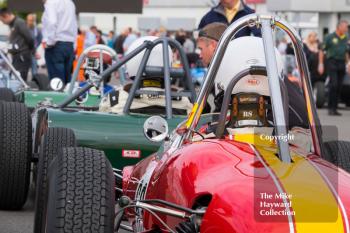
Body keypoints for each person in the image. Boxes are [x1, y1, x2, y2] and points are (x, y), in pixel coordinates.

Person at [42, 0, 77, 84]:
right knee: (67, 82)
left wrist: (50, 42)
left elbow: (52, 22)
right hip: (69, 44)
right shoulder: (70, 3)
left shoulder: (51, 3)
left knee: (56, 83)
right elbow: (74, 24)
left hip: (56, 45)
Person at [319, 20, 349, 116]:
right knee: (334, 84)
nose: (346, 29)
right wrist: (320, 64)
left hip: (341, 63)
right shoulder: (329, 37)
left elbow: (346, 52)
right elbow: (321, 50)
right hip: (332, 62)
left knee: (339, 86)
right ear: (339, 27)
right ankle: (330, 108)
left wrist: (348, 63)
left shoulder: (345, 38)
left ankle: (335, 108)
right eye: (345, 27)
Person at [0, 8, 34, 81]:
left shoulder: (19, 23)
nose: (3, 23)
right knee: (16, 78)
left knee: (20, 79)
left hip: (22, 56)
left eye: (2, 20)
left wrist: (31, 51)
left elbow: (29, 38)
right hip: (17, 56)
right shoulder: (13, 24)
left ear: (6, 16)